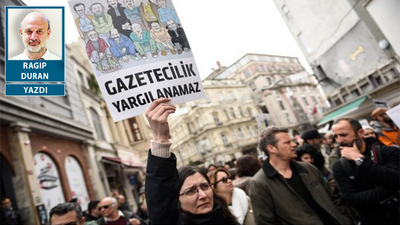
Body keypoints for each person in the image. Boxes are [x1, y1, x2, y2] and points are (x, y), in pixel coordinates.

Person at [144, 98, 238, 224]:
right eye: (190, 191)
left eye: (205, 186)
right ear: (177, 199)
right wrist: (160, 140)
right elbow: (160, 201)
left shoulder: (227, 218)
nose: (202, 195)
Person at [250, 126, 352, 224]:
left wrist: (345, 220)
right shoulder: (260, 183)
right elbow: (265, 221)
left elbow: (334, 198)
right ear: (271, 148)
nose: (294, 144)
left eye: (292, 141)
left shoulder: (308, 169)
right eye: (287, 142)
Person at [332, 118, 400, 224]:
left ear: (360, 133)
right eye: (336, 136)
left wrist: (360, 160)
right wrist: (391, 189)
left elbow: (396, 179)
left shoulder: (388, 152)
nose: (339, 140)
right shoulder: (339, 166)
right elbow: (353, 200)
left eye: (343, 135)